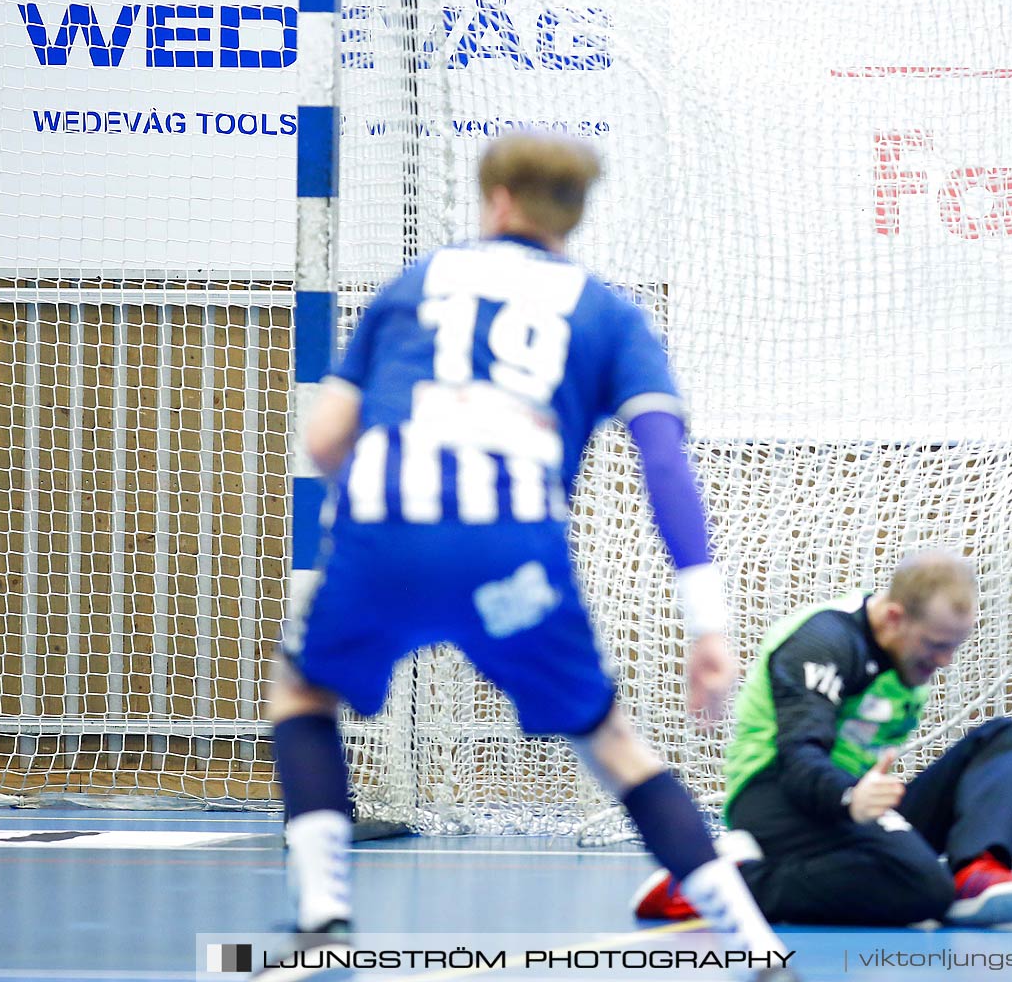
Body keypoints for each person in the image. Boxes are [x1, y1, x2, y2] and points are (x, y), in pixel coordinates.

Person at [266, 133, 792, 979]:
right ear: (573, 213)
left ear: (499, 200)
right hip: (512, 556)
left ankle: (323, 915)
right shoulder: (608, 313)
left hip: (383, 532)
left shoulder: (418, 282)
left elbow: (326, 435)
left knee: (302, 693)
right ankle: (758, 947)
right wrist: (709, 623)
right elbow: (664, 464)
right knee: (614, 745)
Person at [632, 551, 1012, 928]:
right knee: (924, 890)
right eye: (935, 646)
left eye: (953, 647)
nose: (943, 661)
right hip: (777, 794)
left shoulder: (906, 652)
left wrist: (860, 799)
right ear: (895, 617)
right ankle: (718, 884)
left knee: (1008, 738)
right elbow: (799, 757)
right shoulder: (823, 640)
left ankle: (975, 870)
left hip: (850, 800)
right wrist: (849, 799)